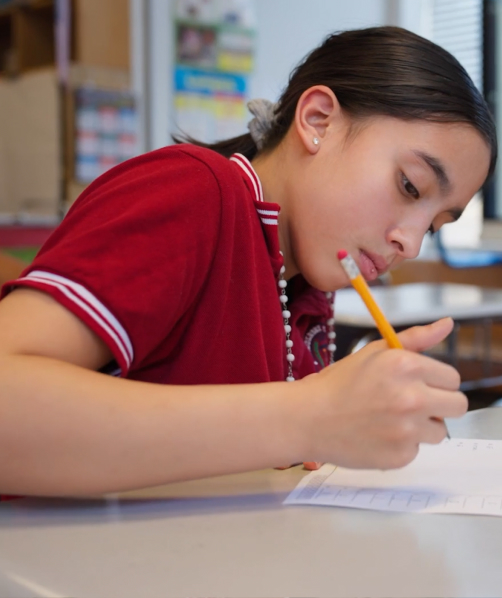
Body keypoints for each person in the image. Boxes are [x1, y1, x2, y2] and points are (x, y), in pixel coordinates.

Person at [0, 26, 496, 497]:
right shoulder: (195, 193)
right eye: (410, 185)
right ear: (318, 120)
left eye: (433, 226)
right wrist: (308, 415)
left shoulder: (303, 286)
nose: (410, 244)